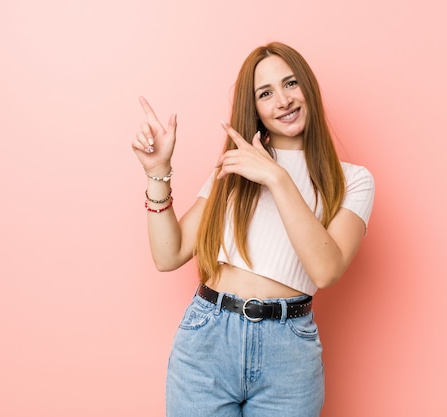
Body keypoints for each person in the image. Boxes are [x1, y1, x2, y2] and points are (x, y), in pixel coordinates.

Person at [131, 42, 374, 417]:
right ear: (255, 109)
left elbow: (326, 270)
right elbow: (169, 254)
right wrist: (156, 173)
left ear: (308, 87)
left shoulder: (353, 181)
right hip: (207, 340)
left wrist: (277, 178)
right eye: (266, 93)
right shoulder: (234, 168)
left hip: (288, 352)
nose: (283, 101)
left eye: (291, 83)